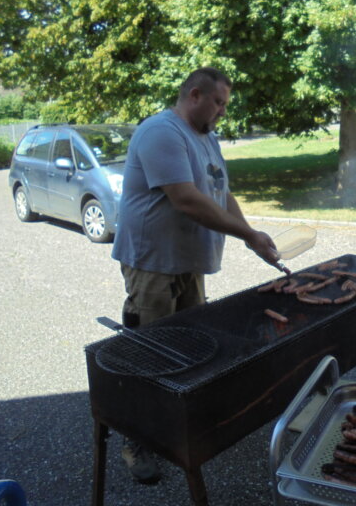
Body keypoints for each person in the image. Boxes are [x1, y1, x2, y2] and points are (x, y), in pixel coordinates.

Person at [111, 66, 282, 483]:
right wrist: (249, 234)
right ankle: (136, 440)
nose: (222, 111)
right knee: (148, 352)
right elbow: (186, 200)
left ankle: (180, 424)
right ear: (193, 95)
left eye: (224, 103)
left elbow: (221, 193)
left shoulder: (206, 138)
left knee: (191, 349)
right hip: (153, 262)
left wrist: (249, 238)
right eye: (218, 102)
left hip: (187, 262)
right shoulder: (161, 132)